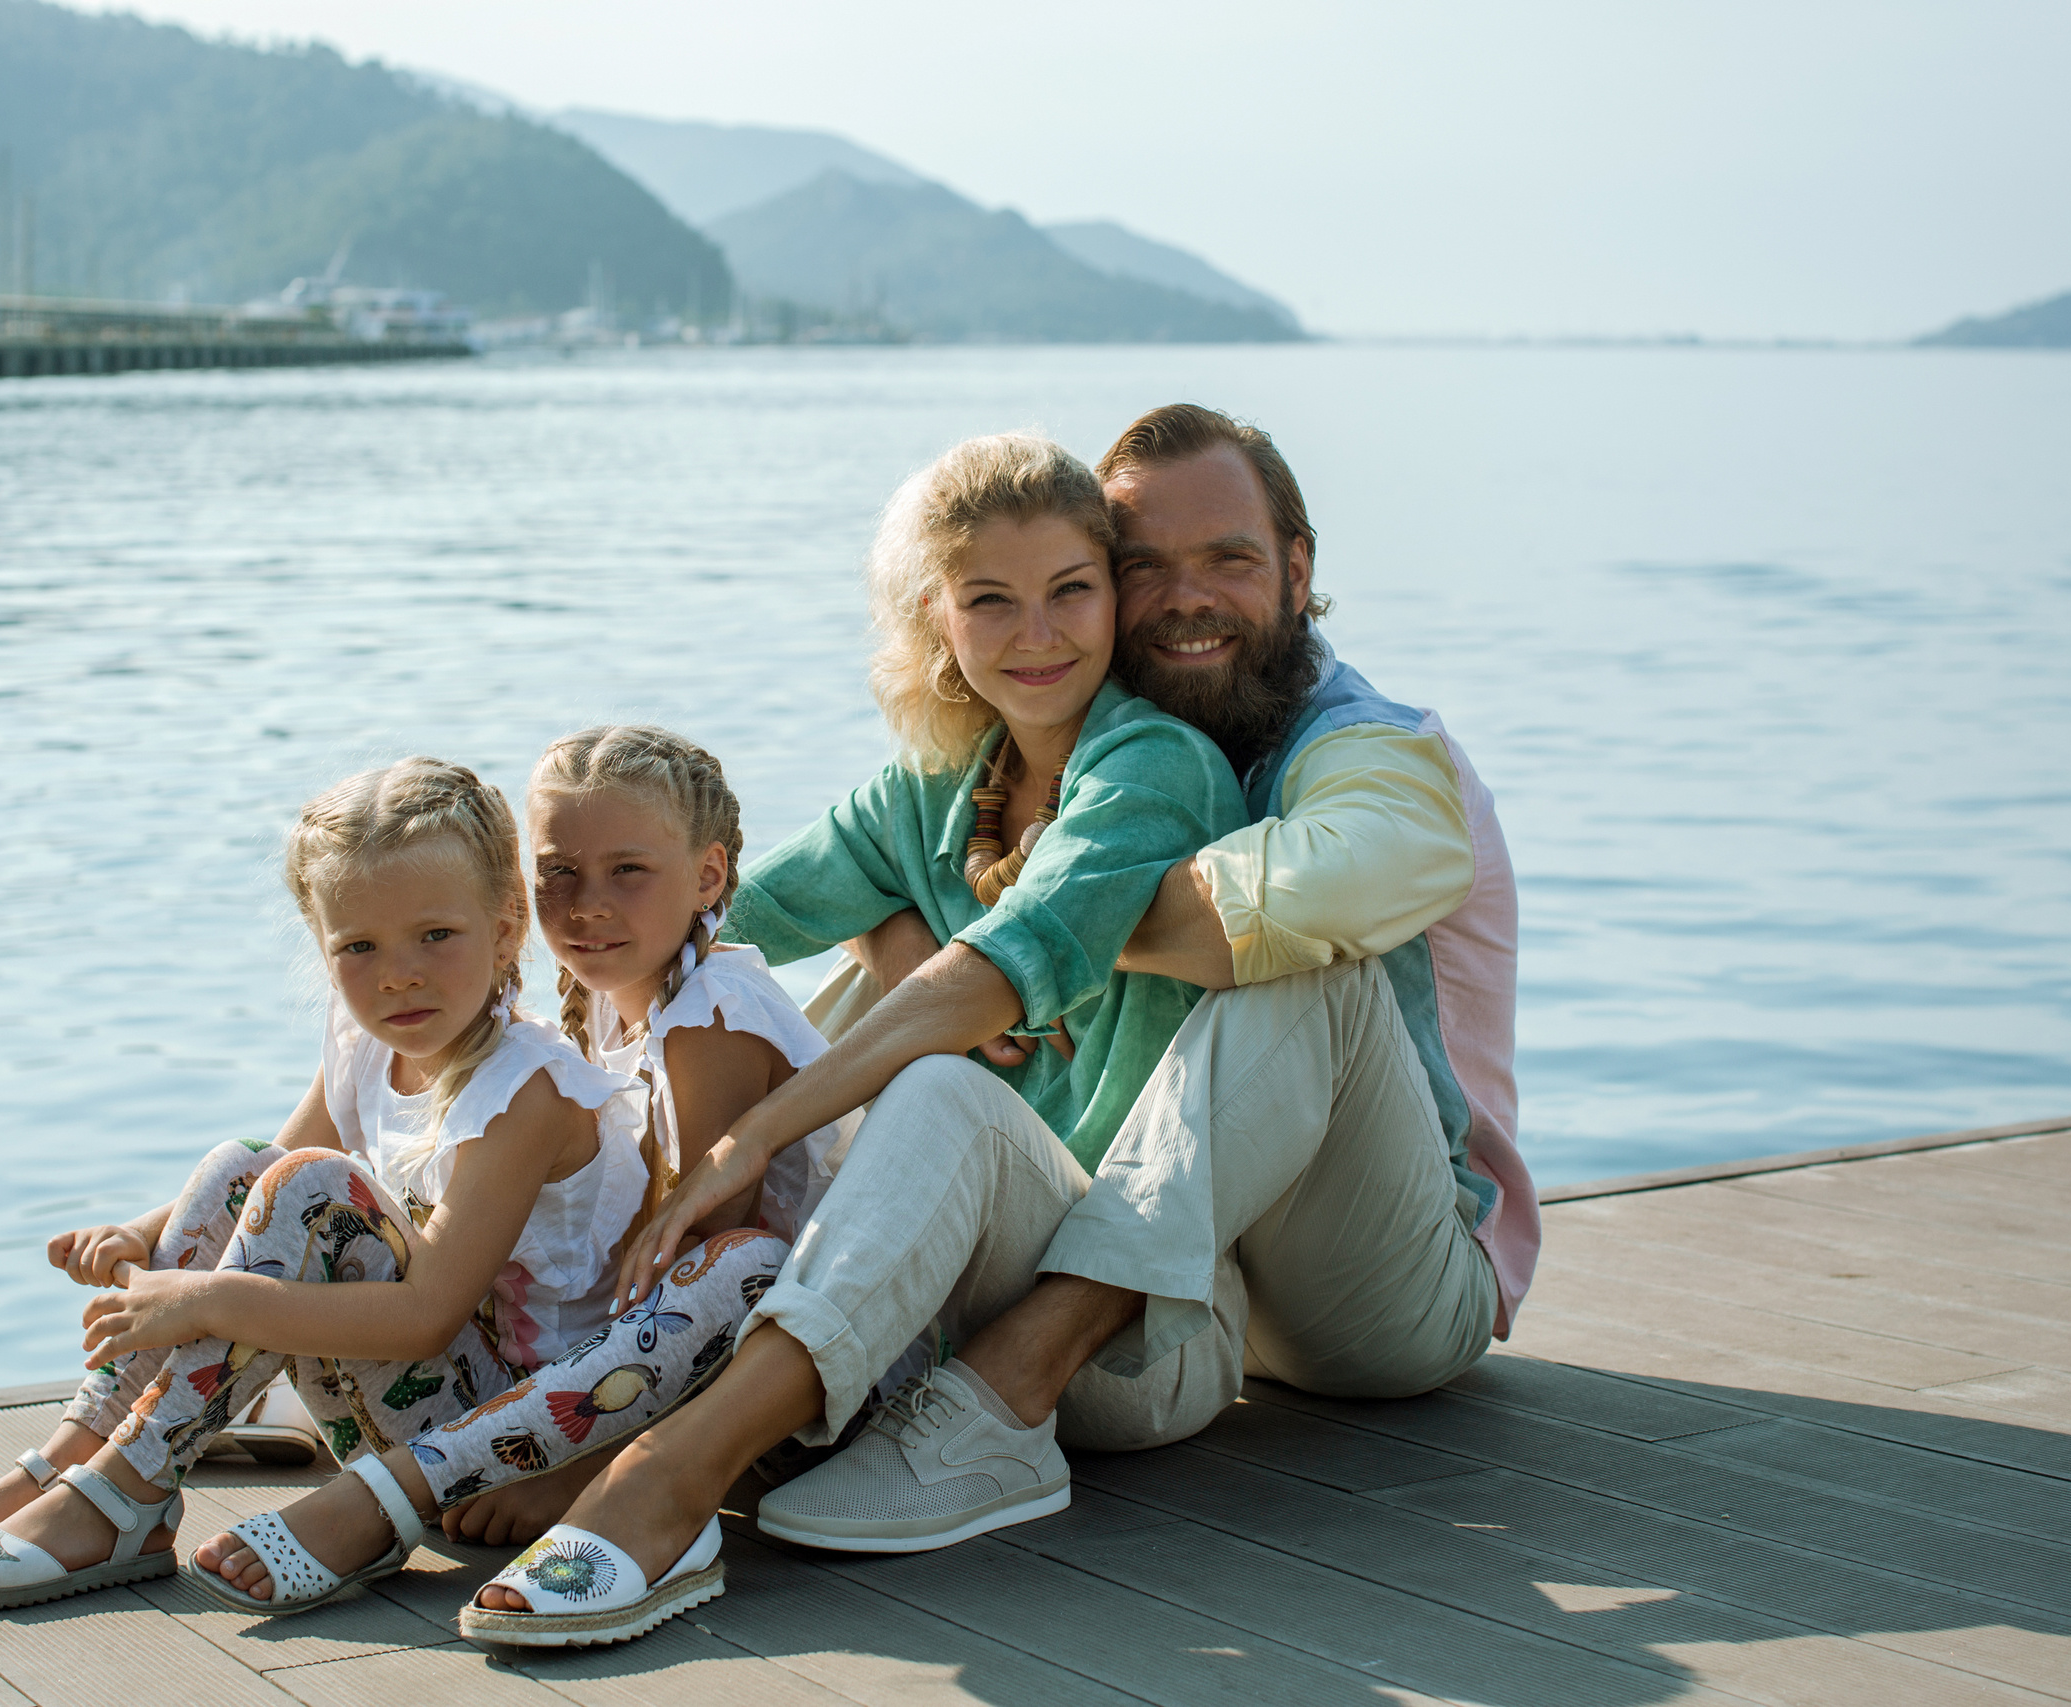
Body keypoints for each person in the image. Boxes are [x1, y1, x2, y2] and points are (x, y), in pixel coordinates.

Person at [452, 431, 1247, 1648]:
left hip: (1118, 1338)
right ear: (938, 615)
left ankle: (667, 1478)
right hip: (922, 1322)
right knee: (748, 994)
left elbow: (1002, 960)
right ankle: (573, 1345)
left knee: (925, 1080)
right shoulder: (935, 788)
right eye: (990, 600)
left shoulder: (1157, 767)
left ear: (1115, 597)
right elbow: (702, 917)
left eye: (1069, 592)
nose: (1035, 634)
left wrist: (758, 1131)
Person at [772, 402, 1538, 1539]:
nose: (1185, 597)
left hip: (1387, 1284)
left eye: (1227, 559)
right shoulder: (1086, 752)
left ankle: (1000, 1397)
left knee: (1292, 959)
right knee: (882, 980)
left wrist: (1038, 931)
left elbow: (1324, 890)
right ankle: (677, 1292)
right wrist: (916, 937)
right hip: (1198, 1281)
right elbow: (822, 883)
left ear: (1295, 567)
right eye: (1144, 567)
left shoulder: (1371, 747)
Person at [0, 758, 718, 1611]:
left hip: (502, 1446)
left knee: (314, 1189)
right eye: (359, 946)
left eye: (436, 935)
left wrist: (208, 1298)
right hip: (410, 1397)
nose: (398, 974)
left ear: (507, 926)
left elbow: (426, 1313)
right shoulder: (369, 1043)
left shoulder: (526, 1089)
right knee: (243, 1163)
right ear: (322, 947)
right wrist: (148, 1231)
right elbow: (262, 1177)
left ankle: (126, 1491)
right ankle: (77, 1457)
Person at [185, 730, 818, 1609]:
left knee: (739, 1261)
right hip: (600, 1369)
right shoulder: (602, 999)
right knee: (290, 1182)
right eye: (559, 872)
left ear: (707, 877)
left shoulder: (715, 1016)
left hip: (768, 1392)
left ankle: (505, 1476)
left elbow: (683, 1265)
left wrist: (578, 1462)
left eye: (627, 871)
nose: (587, 904)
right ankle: (133, 1456)